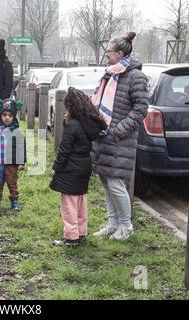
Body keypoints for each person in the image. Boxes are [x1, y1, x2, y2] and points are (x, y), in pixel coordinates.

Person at [91, 32, 149, 241]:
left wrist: (118, 130)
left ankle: (126, 226)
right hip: (104, 136)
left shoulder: (135, 76)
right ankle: (113, 223)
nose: (106, 54)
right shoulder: (110, 74)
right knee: (107, 181)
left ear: (120, 53)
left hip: (118, 138)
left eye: (108, 51)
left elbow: (141, 108)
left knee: (116, 183)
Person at [50, 87, 107, 246]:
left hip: (70, 168)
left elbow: (64, 150)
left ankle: (71, 237)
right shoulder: (89, 124)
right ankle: (81, 232)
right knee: (81, 201)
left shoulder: (72, 126)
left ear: (71, 107)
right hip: (84, 166)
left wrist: (56, 168)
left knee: (68, 205)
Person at [0, 99, 26, 211]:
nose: (7, 117)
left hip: (12, 163)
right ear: (0, 116)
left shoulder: (17, 132)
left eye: (10, 115)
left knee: (12, 182)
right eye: (4, 115)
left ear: (14, 117)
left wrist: (21, 162)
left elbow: (21, 148)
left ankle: (14, 200)